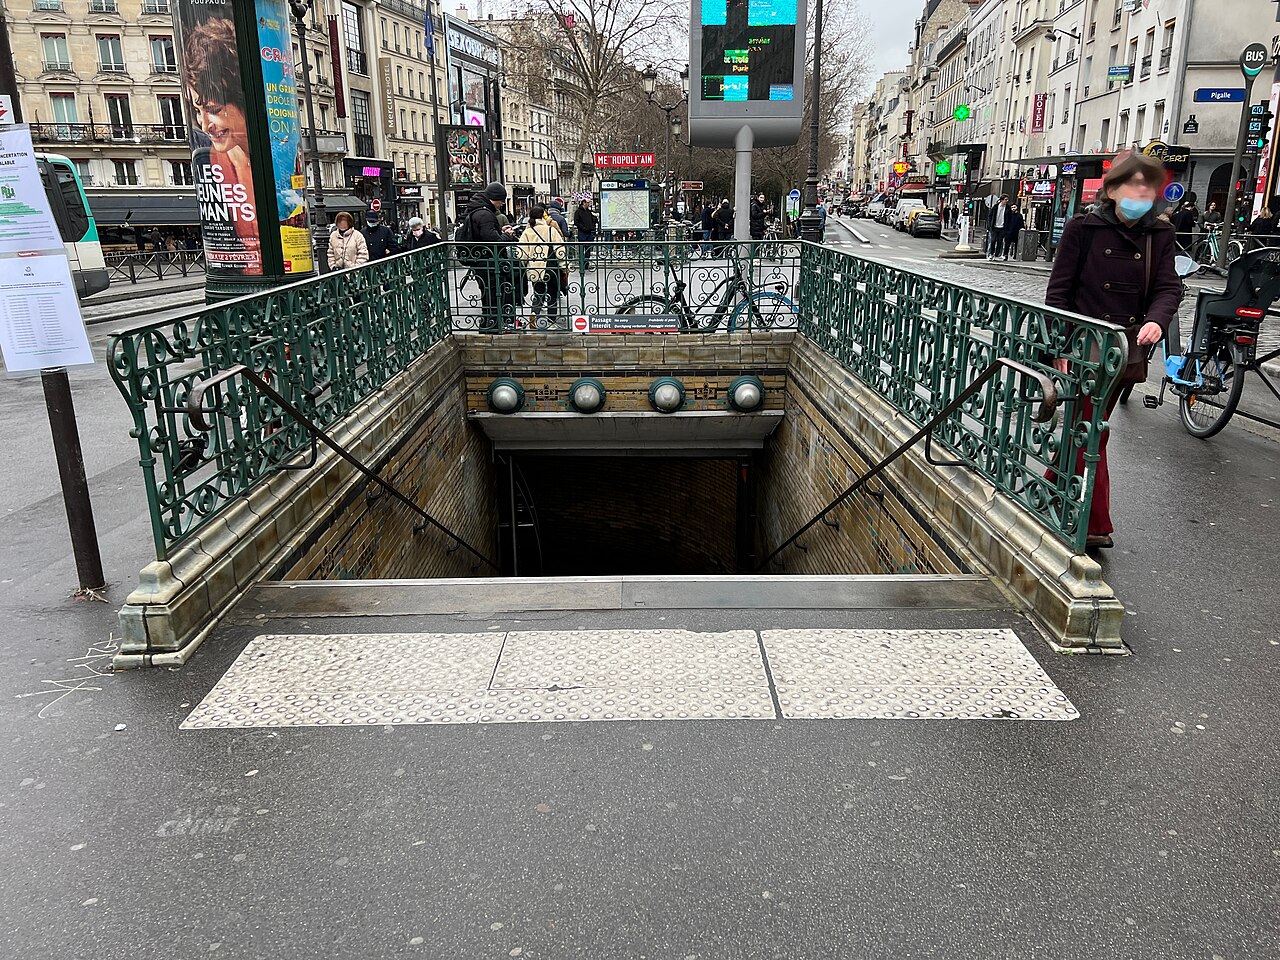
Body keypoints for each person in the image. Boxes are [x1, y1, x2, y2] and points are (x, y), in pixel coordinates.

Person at [1044, 151, 1181, 551]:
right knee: (1091, 430)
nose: (1140, 192)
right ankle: (1092, 519)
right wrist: (1060, 345)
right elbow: (1059, 292)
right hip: (1085, 342)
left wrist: (1157, 319)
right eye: (1132, 184)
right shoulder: (1083, 228)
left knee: (1088, 428)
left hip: (1124, 348)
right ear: (1112, 190)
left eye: (1147, 186)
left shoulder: (1160, 234)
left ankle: (1058, 496)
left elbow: (1168, 287)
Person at [182, 16, 261, 275]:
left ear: (241, 100)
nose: (204, 125)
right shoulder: (216, 159)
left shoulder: (277, 156)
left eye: (213, 110)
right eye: (197, 110)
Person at [461, 182, 518, 330]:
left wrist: (499, 230)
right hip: (488, 263)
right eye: (501, 200)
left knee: (487, 295)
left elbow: (484, 234)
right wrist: (507, 236)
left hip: (480, 261)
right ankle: (492, 326)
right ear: (494, 198)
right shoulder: (485, 214)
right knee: (493, 296)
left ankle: (488, 325)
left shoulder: (477, 210)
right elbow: (494, 242)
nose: (502, 203)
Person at [517, 204, 567, 329]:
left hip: (535, 268)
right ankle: (551, 322)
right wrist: (565, 267)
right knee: (552, 294)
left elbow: (521, 253)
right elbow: (560, 250)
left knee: (538, 292)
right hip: (550, 266)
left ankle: (534, 313)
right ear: (543, 216)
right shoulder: (550, 230)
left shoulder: (527, 232)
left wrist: (524, 265)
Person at [573, 198, 598, 270]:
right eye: (587, 202)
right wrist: (583, 228)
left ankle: (586, 264)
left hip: (589, 233)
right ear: (583, 203)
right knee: (582, 249)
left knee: (588, 249)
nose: (588, 204)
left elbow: (593, 220)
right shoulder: (578, 212)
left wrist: (593, 224)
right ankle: (582, 264)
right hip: (582, 233)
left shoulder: (589, 211)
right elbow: (576, 222)